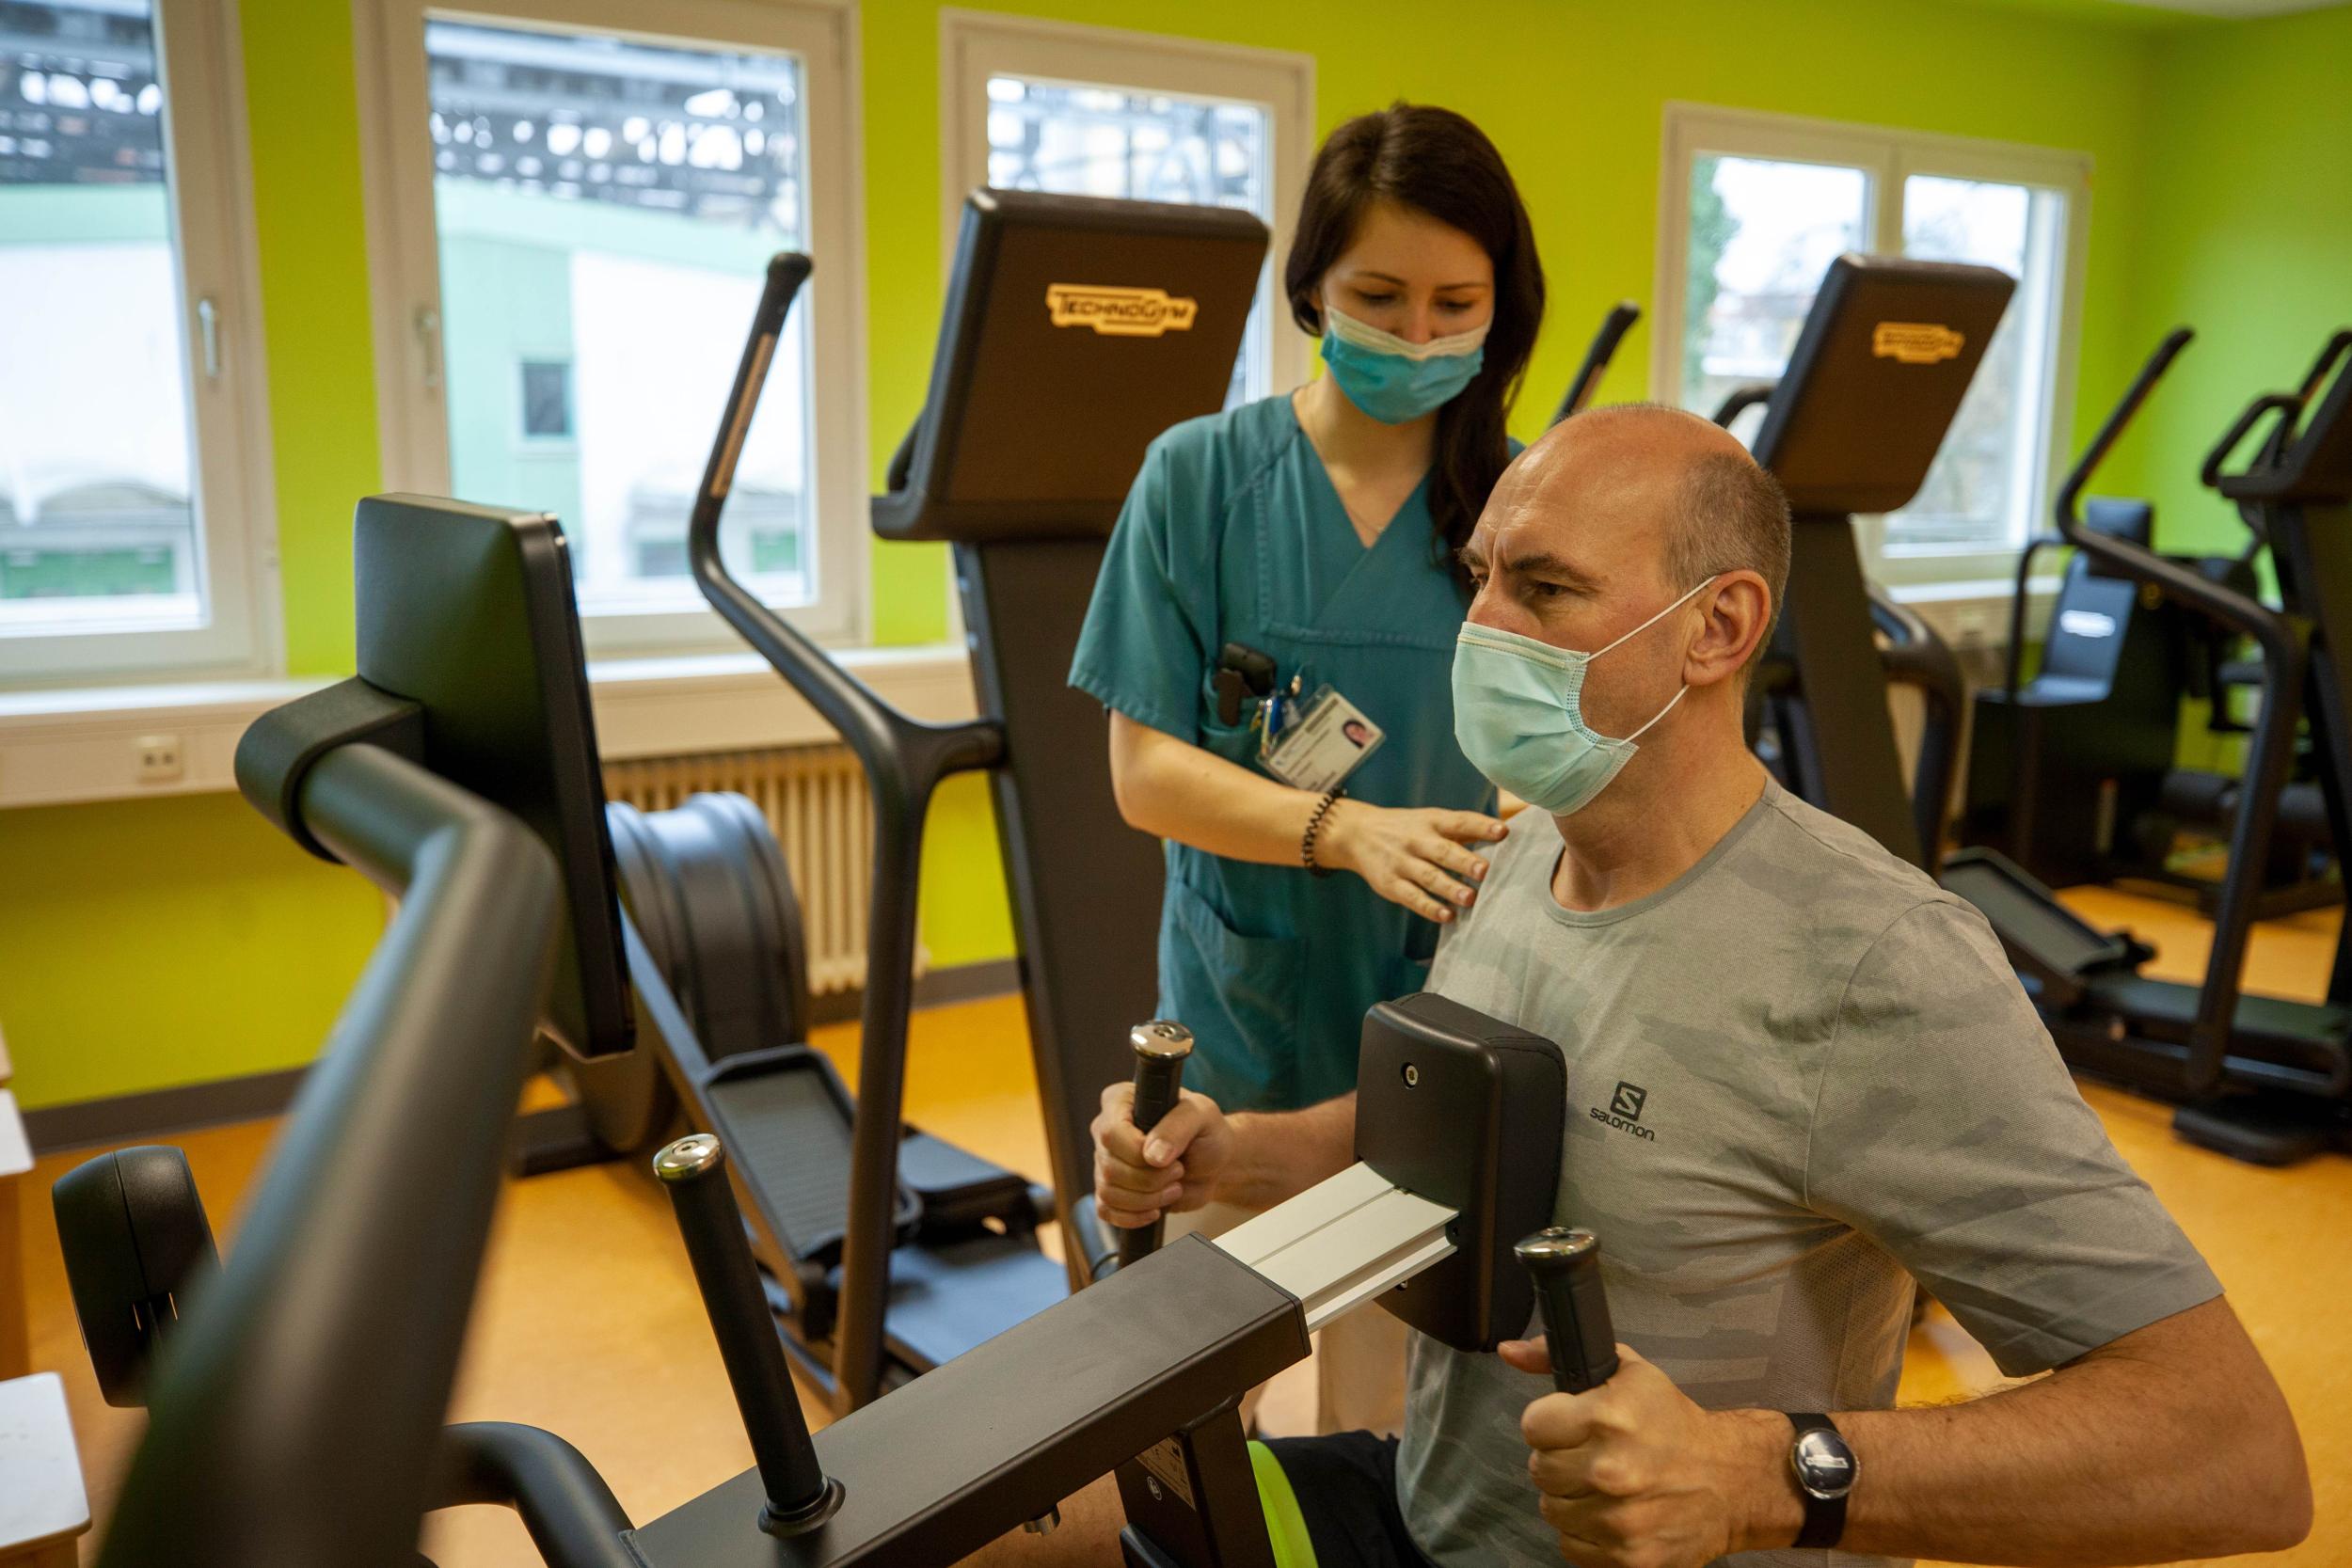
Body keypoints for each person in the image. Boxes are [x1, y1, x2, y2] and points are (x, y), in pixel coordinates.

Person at [1000, 405, 2311, 1567]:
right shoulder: (1511, 860)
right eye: (1480, 578)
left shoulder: (1877, 965)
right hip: (1424, 1512)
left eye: (1545, 589)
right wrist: (1235, 1151)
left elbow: (2232, 1452)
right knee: (984, 1521)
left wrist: (1756, 1477)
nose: (1481, 630)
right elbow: (1466, 1139)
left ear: (1717, 628)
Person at [1068, 102, 1544, 1435]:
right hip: (1246, 1002)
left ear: (1501, 310)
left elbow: (1557, 751)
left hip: (1447, 996)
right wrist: (1347, 830)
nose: (1418, 335)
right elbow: (1147, 774)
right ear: (1312, 291)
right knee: (1191, 1408)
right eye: (1379, 298)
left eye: (1457, 305)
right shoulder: (1201, 480)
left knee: (1381, 1428)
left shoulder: (1520, 503)